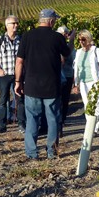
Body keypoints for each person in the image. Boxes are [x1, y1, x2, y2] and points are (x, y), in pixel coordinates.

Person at [15, 9, 71, 160]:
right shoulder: (57, 37)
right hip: (51, 86)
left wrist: (18, 81)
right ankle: (51, 152)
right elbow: (67, 53)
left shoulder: (27, 36)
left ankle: (32, 153)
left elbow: (19, 61)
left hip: (31, 85)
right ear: (51, 21)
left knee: (32, 119)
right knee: (52, 119)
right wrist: (70, 40)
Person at [0, 15, 24, 134]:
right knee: (3, 100)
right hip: (5, 74)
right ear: (7, 26)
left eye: (17, 23)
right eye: (13, 23)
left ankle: (21, 124)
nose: (16, 25)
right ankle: (2, 125)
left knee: (20, 100)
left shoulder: (20, 39)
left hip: (18, 74)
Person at [73, 30, 99, 132]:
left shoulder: (96, 50)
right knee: (86, 104)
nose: (81, 42)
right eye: (79, 40)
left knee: (95, 103)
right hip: (83, 81)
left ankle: (95, 128)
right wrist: (76, 84)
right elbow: (77, 69)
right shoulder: (78, 52)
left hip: (94, 81)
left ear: (89, 39)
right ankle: (89, 125)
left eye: (83, 39)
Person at [58, 26, 76, 136]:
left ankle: (62, 120)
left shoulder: (66, 46)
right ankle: (59, 123)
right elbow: (64, 57)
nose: (66, 34)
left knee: (65, 100)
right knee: (59, 100)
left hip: (68, 76)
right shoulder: (58, 44)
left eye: (67, 33)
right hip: (59, 76)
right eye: (64, 33)